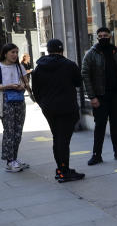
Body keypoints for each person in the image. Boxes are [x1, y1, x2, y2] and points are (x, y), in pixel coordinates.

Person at [31, 39, 85, 183]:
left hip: (49, 108)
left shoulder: (39, 67)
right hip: (67, 107)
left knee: (57, 137)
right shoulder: (69, 65)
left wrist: (43, 103)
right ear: (62, 49)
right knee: (63, 140)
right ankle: (64, 171)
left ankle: (61, 169)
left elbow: (35, 90)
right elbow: (79, 82)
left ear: (48, 50)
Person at [81, 26, 117, 165]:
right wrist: (92, 97)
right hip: (100, 97)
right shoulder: (91, 54)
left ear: (110, 36)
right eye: (100, 35)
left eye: (106, 35)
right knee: (100, 126)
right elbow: (85, 75)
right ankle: (96, 154)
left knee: (116, 124)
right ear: (97, 37)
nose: (103, 37)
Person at [0, 43, 31, 172]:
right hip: (5, 101)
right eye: (12, 52)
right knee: (9, 131)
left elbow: (26, 82)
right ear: (5, 53)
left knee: (18, 131)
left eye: (16, 52)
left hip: (19, 100)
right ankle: (9, 161)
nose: (15, 55)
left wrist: (23, 85)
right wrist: (8, 86)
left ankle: (14, 158)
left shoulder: (19, 66)